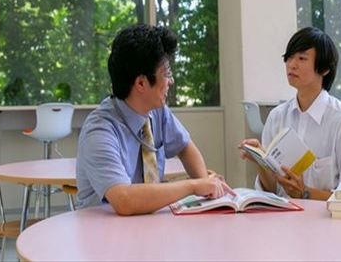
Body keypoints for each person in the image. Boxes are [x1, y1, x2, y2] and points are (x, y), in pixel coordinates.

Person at [76, 24, 232, 215]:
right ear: (141, 83)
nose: (171, 81)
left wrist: (208, 190)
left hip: (149, 223)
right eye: (166, 74)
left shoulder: (157, 111)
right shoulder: (100, 131)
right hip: (103, 229)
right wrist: (193, 186)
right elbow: (124, 200)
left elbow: (185, 148)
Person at [240, 27, 341, 200]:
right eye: (289, 57)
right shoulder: (277, 117)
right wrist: (261, 161)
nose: (292, 65)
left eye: (302, 58)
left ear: (324, 69)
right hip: (283, 215)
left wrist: (305, 193)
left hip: (326, 217)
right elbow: (270, 191)